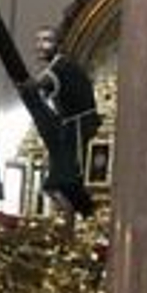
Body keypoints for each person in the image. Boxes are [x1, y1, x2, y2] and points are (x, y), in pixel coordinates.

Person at [31, 26, 100, 217]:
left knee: (59, 183)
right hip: (70, 130)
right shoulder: (58, 66)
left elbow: (38, 85)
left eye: (46, 40)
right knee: (56, 184)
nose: (40, 46)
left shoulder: (61, 67)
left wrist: (25, 85)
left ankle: (69, 221)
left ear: (59, 44)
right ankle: (70, 218)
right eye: (38, 40)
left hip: (78, 131)